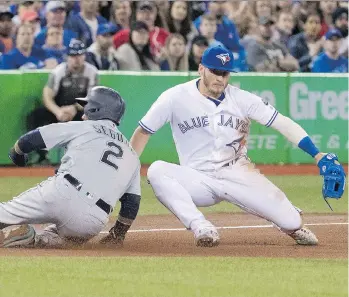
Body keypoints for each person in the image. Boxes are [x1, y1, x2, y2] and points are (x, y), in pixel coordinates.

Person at [109, 45, 346, 248]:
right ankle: (201, 226)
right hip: (198, 179)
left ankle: (288, 220)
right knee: (157, 170)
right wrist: (124, 173)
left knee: (292, 222)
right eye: (215, 71)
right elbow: (143, 132)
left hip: (237, 173)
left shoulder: (242, 99)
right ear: (201, 68)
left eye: (225, 73)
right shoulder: (174, 97)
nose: (220, 78)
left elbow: (282, 123)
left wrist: (316, 154)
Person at [0, 86, 141, 249]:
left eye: (86, 107)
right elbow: (132, 203)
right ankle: (34, 239)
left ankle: (21, 232)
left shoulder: (84, 127)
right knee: (52, 238)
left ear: (95, 109)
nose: (83, 113)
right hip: (93, 221)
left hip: (61, 194)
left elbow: (30, 140)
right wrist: (118, 235)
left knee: (4, 214)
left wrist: (17, 154)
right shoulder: (131, 154)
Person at [26, 39, 98, 164]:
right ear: (67, 57)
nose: (76, 59)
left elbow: (91, 99)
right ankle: (42, 155)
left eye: (80, 55)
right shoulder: (58, 71)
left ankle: (84, 157)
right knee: (35, 116)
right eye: (73, 55)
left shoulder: (92, 72)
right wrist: (58, 111)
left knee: (95, 118)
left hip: (79, 110)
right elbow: (47, 96)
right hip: (58, 109)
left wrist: (74, 108)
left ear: (84, 56)